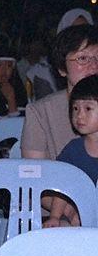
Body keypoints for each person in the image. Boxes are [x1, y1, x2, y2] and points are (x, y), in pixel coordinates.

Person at [22, 24, 98, 159]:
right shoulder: (41, 112)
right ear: (62, 68)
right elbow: (35, 171)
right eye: (82, 58)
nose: (94, 66)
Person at [46, 75, 98, 227]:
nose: (79, 115)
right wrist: (55, 216)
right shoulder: (73, 150)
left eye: (88, 108)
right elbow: (63, 184)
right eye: (75, 108)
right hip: (78, 218)